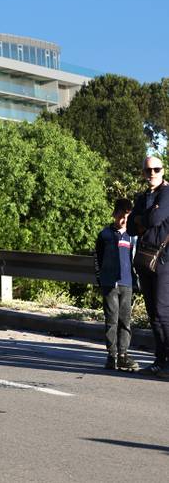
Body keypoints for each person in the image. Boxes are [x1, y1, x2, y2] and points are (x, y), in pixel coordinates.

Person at [128, 155, 169, 377]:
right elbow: (131, 227)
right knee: (153, 314)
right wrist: (145, 216)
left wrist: (141, 219)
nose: (152, 173)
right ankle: (159, 361)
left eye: (156, 169)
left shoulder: (167, 193)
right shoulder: (143, 196)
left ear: (163, 170)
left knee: (163, 312)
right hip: (145, 259)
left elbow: (154, 220)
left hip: (164, 260)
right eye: (148, 170)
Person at [95, 198, 138, 371]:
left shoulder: (133, 236)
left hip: (127, 284)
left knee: (125, 321)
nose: (123, 220)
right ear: (114, 214)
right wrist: (101, 278)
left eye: (127, 217)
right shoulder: (104, 234)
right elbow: (97, 258)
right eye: (121, 216)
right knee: (111, 320)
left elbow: (136, 259)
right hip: (109, 284)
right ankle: (111, 356)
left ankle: (123, 355)